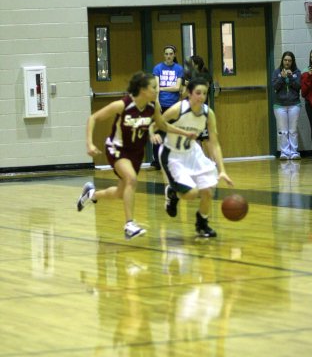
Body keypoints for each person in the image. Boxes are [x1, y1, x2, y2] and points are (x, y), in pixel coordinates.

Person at [76, 72, 197, 240]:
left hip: (136, 154)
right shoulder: (122, 105)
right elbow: (93, 118)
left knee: (121, 192)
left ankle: (91, 195)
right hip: (117, 149)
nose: (157, 91)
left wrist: (185, 132)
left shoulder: (152, 107)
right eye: (154, 88)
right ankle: (129, 225)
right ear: (142, 89)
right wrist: (89, 143)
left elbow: (162, 125)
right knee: (131, 179)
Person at [159, 78, 233, 238]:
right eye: (198, 93)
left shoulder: (208, 113)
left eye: (205, 93)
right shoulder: (179, 108)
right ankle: (173, 192)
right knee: (191, 194)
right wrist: (153, 133)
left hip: (192, 153)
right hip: (172, 154)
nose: (201, 96)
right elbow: (159, 123)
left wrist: (222, 170)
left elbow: (214, 144)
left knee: (207, 191)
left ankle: (202, 224)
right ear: (189, 94)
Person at [151, 45, 185, 169]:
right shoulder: (158, 68)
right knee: (158, 132)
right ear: (164, 55)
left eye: (171, 54)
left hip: (174, 105)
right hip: (161, 105)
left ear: (174, 55)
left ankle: (173, 161)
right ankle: (157, 162)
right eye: (166, 54)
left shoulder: (179, 69)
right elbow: (156, 87)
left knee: (172, 133)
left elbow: (177, 87)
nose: (169, 56)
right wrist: (157, 101)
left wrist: (163, 87)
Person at [272, 51, 301, 160]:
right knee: (283, 130)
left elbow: (299, 86)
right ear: (282, 61)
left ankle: (294, 152)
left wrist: (291, 77)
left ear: (292, 62)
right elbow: (275, 87)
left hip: (294, 105)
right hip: (280, 106)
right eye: (285, 60)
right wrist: (282, 78)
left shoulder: (297, 72)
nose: (287, 62)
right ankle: (284, 152)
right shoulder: (276, 72)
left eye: (289, 60)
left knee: (292, 130)